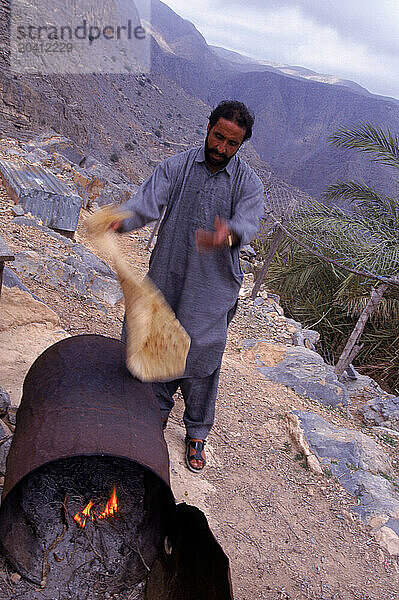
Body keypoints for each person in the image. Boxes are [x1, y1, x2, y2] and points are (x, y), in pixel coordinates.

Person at [111, 100, 264, 472]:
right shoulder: (176, 166)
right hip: (168, 275)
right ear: (208, 128)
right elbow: (146, 204)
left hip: (212, 288)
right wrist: (119, 221)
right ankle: (155, 411)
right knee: (157, 342)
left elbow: (248, 223)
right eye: (218, 137)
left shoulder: (248, 184)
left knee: (200, 357)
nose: (221, 149)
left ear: (241, 145)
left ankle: (196, 431)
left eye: (232, 144)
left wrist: (228, 234)